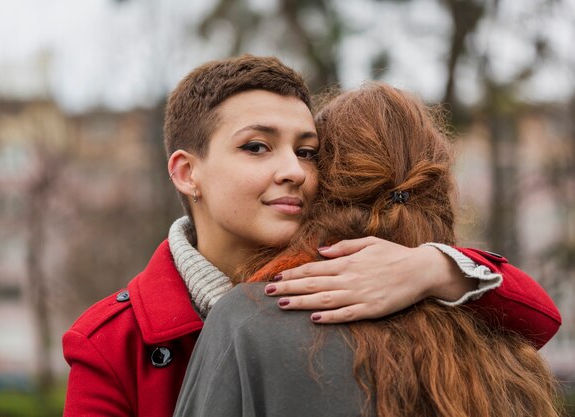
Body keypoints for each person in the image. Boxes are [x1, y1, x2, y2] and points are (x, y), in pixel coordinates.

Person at [62, 56, 561, 417]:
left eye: (307, 152)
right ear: (187, 173)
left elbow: (540, 318)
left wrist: (432, 268)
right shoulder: (111, 340)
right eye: (257, 147)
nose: (293, 172)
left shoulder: (356, 271)